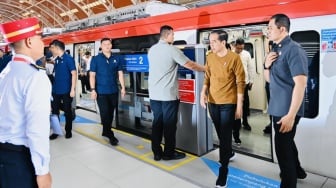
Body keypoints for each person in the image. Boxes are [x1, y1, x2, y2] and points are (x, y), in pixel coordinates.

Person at [0, 17, 52, 188]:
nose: (43, 42)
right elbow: (37, 129)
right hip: (18, 159)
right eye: (40, 38)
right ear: (29, 41)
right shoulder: (35, 77)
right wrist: (42, 171)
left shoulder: (7, 71)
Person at [148, 25, 205, 161]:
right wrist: (205, 68)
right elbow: (189, 64)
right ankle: (169, 153)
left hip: (154, 94)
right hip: (168, 95)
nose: (174, 37)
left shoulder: (152, 50)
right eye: (173, 35)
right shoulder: (172, 50)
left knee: (157, 123)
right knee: (169, 126)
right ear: (167, 35)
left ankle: (157, 152)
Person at [264, 13, 308, 188]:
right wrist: (266, 65)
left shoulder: (294, 50)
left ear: (282, 29)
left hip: (287, 110)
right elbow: (269, 79)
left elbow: (301, 84)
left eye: (270, 28)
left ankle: (289, 182)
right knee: (287, 143)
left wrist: (291, 115)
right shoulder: (275, 50)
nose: (267, 31)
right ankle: (298, 171)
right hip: (277, 107)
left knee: (282, 152)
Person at [200, 30, 245, 188]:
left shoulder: (234, 58)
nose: (210, 44)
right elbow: (207, 76)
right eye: (210, 41)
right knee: (220, 133)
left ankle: (223, 170)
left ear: (223, 42)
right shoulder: (210, 57)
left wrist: (239, 104)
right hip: (213, 102)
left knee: (225, 137)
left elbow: (241, 82)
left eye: (213, 41)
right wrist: (202, 93)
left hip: (228, 103)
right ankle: (229, 152)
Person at [90, 38, 125, 146]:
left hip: (113, 90)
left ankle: (105, 130)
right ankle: (110, 135)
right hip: (101, 91)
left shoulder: (117, 58)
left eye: (109, 44)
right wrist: (93, 90)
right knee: (105, 113)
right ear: (101, 46)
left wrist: (123, 87)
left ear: (111, 45)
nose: (107, 46)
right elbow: (92, 75)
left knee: (110, 113)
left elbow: (120, 74)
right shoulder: (95, 59)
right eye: (104, 44)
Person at [49, 39, 77, 140]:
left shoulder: (68, 59)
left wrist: (73, 89)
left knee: (67, 112)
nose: (50, 50)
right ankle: (56, 131)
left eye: (51, 48)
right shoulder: (56, 59)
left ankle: (68, 131)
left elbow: (74, 74)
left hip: (66, 90)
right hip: (56, 90)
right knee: (55, 112)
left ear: (57, 48)